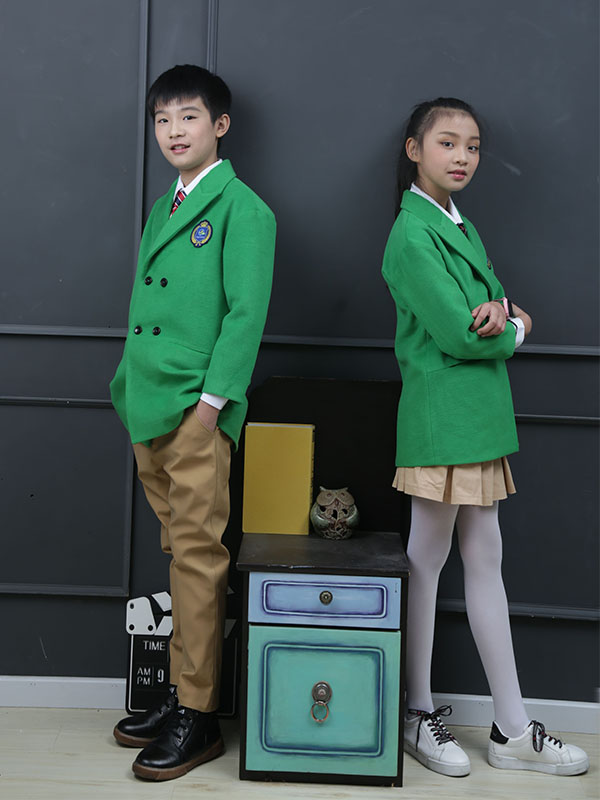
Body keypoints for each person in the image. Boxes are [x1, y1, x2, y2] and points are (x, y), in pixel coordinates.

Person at [381, 97, 588, 778]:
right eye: (447, 142)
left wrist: (501, 315)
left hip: (475, 418)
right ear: (414, 149)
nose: (462, 156)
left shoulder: (457, 226)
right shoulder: (412, 234)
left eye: (472, 146)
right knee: (427, 560)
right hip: (445, 420)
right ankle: (420, 713)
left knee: (478, 559)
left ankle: (509, 727)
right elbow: (464, 333)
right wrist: (516, 326)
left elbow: (490, 311)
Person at [109, 64, 276, 781]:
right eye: (163, 120)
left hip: (194, 411)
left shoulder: (245, 210)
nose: (174, 131)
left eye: (188, 117)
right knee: (181, 555)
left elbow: (245, 316)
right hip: (146, 403)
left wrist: (211, 408)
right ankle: (182, 694)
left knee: (200, 557)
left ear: (220, 125)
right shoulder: (165, 206)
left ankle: (199, 715)